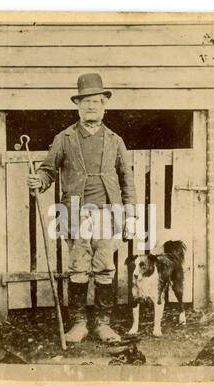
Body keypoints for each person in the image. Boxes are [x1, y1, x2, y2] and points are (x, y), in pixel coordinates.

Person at [27, 73, 137, 344]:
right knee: (78, 268)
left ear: (104, 106)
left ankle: (102, 325)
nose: (91, 107)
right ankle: (79, 325)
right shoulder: (64, 138)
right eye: (86, 102)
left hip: (108, 216)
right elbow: (47, 171)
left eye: (96, 102)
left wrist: (131, 215)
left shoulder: (115, 141)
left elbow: (127, 180)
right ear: (78, 106)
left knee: (105, 269)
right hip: (74, 214)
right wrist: (38, 181)